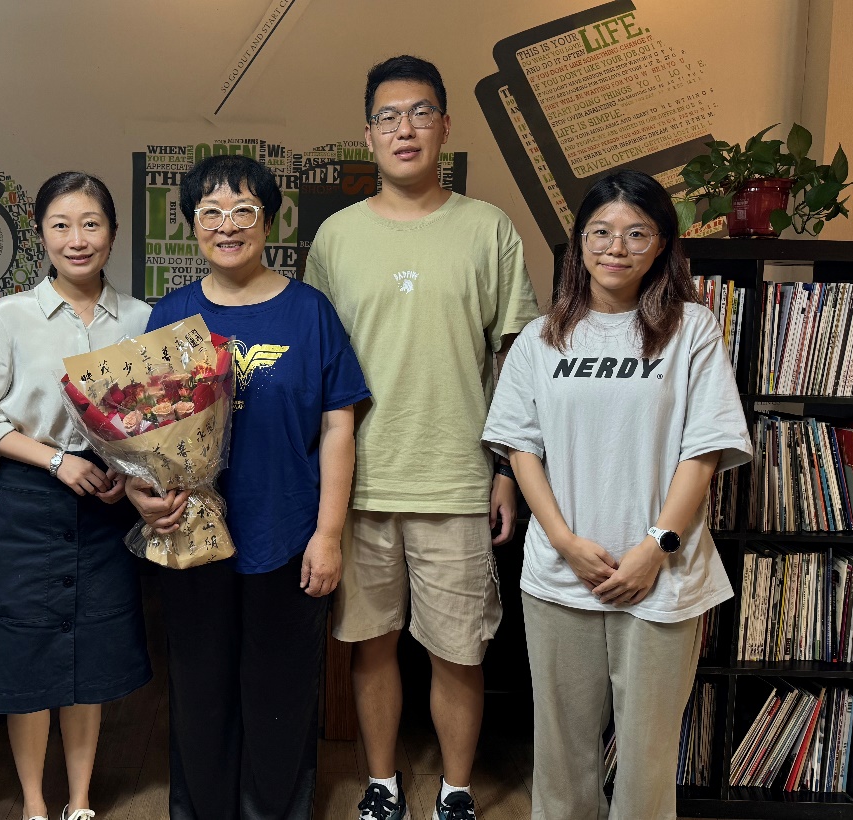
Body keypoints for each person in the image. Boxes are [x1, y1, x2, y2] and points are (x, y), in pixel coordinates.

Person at [304, 55, 540, 820]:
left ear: (445, 126)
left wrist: (505, 471)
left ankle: (456, 790)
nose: (404, 129)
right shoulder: (335, 238)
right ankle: (381, 784)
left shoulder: (488, 229)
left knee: (458, 649)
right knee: (371, 645)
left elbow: (516, 362)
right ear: (368, 134)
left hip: (457, 479)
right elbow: (318, 368)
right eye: (388, 116)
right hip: (361, 482)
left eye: (420, 113)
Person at [482, 169, 751, 819]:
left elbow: (704, 450)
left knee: (646, 759)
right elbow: (522, 449)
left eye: (637, 233)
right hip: (559, 574)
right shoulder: (541, 340)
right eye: (600, 232)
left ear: (661, 246)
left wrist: (657, 547)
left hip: (662, 576)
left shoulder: (692, 330)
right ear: (579, 243)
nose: (616, 247)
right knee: (561, 757)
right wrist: (565, 542)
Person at [127, 153, 370, 820]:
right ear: (192, 226)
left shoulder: (309, 312)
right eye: (210, 212)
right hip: (193, 534)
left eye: (243, 211)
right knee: (199, 691)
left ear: (269, 222)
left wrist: (327, 535)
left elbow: (338, 427)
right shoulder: (172, 314)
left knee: (280, 694)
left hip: (286, 531)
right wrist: (142, 493)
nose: (227, 225)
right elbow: (141, 431)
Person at [0, 171, 152, 820]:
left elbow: (152, 418)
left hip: (105, 508)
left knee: (89, 658)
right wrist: (57, 461)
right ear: (41, 234)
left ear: (113, 234)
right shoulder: (11, 315)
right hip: (27, 503)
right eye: (61, 225)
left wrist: (127, 471)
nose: (77, 239)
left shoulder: (141, 319)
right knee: (27, 660)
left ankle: (80, 801)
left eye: (91, 224)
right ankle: (35, 805)